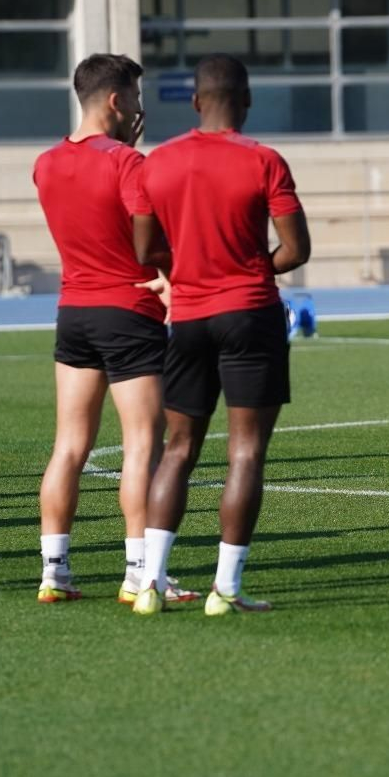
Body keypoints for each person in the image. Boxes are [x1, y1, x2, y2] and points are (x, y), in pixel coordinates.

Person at [129, 54, 309, 616]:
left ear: (194, 101)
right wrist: (250, 265)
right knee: (246, 453)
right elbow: (296, 250)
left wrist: (190, 266)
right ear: (247, 100)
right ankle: (225, 589)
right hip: (250, 311)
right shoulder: (264, 161)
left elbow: (142, 251)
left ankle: (150, 585)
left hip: (187, 315)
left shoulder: (157, 163)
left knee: (177, 450)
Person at [32, 54, 196, 605]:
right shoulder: (128, 163)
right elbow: (147, 242)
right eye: (135, 100)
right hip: (129, 309)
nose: (139, 111)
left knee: (69, 446)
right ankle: (139, 574)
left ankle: (54, 573)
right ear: (115, 101)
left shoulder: (46, 162)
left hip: (73, 312)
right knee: (141, 445)